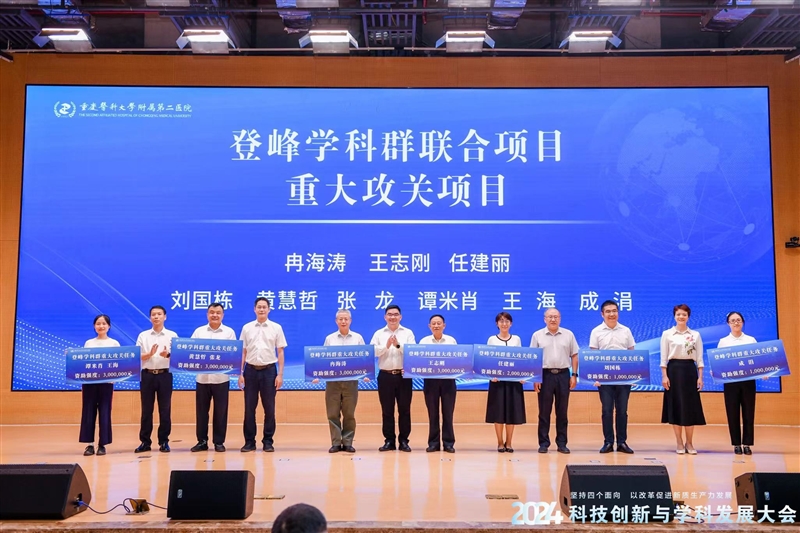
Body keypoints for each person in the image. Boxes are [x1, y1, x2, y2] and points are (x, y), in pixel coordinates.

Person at [238, 297, 287, 453]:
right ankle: (249, 442)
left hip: (269, 371)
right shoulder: (247, 328)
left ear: (269, 309)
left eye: (264, 307)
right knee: (249, 408)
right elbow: (243, 352)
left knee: (269, 408)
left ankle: (268, 441)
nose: (261, 309)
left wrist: (280, 374)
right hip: (250, 371)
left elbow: (280, 351)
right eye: (259, 307)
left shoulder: (276, 328)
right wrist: (240, 373)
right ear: (254, 309)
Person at [589, 300, 636, 454]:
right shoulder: (596, 331)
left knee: (622, 411)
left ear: (618, 313)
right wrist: (595, 377)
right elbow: (593, 356)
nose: (611, 314)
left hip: (623, 378)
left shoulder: (626, 330)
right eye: (608, 311)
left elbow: (632, 354)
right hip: (604, 379)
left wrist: (633, 376)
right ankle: (608, 442)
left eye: (614, 311)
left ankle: (622, 442)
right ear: (602, 314)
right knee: (607, 410)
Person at [530, 308, 579, 454]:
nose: (553, 319)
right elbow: (533, 358)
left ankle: (562, 443)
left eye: (556, 317)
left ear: (560, 318)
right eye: (550, 317)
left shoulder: (568, 334)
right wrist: (536, 378)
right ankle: (543, 443)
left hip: (563, 375)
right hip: (545, 375)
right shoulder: (537, 335)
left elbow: (574, 355)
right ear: (544, 319)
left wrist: (574, 375)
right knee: (544, 411)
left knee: (562, 411)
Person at [660, 303, 706, 455]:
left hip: (690, 371)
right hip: (673, 371)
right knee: (676, 407)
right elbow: (663, 358)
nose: (681, 317)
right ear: (674, 316)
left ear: (688, 317)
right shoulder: (667, 334)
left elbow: (699, 358)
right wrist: (664, 376)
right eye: (678, 314)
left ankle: (690, 443)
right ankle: (679, 442)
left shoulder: (695, 335)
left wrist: (700, 377)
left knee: (689, 407)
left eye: (684, 314)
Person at [191, 302, 236, 453]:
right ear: (207, 314)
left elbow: (233, 354)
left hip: (221, 379)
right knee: (201, 412)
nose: (214, 315)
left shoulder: (229, 332)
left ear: (222, 315)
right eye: (212, 312)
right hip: (202, 379)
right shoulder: (199, 331)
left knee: (221, 412)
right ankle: (202, 441)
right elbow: (190, 352)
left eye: (218, 313)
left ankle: (219, 442)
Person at [370, 304, 416, 452]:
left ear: (400, 317)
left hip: (404, 376)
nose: (393, 317)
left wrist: (397, 345)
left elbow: (412, 352)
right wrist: (386, 346)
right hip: (385, 376)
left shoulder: (408, 333)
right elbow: (372, 352)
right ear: (385, 317)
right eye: (390, 314)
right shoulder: (379, 333)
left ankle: (404, 441)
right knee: (387, 410)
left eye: (396, 314)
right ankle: (389, 441)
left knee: (405, 410)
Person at [134, 305, 177, 453]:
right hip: (147, 375)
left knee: (165, 410)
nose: (156, 317)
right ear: (150, 317)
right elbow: (137, 356)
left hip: (165, 375)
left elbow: (178, 357)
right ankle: (145, 442)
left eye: (159, 314)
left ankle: (164, 441)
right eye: (153, 314)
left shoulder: (172, 335)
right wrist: (149, 354)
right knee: (146, 410)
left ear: (165, 317)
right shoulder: (143, 335)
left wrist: (168, 355)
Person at [321, 309, 364, 454]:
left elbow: (364, 358)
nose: (343, 321)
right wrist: (316, 374)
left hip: (351, 382)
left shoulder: (357, 338)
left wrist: (365, 373)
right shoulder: (330, 339)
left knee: (349, 413)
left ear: (350, 320)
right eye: (340, 319)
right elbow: (323, 360)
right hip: (333, 382)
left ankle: (348, 442)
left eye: (346, 319)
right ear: (336, 321)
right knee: (332, 414)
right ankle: (335, 442)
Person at [717, 312, 758, 455]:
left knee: (749, 412)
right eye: (733, 320)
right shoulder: (723, 342)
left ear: (743, 322)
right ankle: (736, 444)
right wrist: (716, 371)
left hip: (748, 381)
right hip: (731, 382)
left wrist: (765, 372)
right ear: (728, 323)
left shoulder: (751, 340)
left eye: (738, 320)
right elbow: (718, 362)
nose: (736, 323)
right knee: (732, 412)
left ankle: (747, 444)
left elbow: (759, 361)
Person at [79, 314, 120, 456]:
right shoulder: (89, 343)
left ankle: (102, 444)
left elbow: (119, 364)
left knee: (105, 412)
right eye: (98, 323)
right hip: (89, 383)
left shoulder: (114, 343)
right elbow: (83, 362)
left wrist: (115, 378)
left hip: (106, 383)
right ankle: (89, 444)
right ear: (94, 326)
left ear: (109, 326)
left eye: (104, 323)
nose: (101, 326)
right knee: (88, 412)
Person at [485, 311, 525, 453]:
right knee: (498, 412)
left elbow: (521, 360)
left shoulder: (516, 339)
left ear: (511, 324)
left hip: (513, 382)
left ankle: (509, 442)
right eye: (501, 321)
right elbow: (487, 361)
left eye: (507, 321)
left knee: (511, 413)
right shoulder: (492, 339)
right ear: (497, 324)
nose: (504, 324)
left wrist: (522, 376)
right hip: (497, 381)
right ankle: (500, 442)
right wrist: (491, 375)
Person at [419, 314, 458, 453]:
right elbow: (418, 361)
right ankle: (433, 443)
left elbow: (458, 360)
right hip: (430, 381)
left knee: (448, 413)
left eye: (439, 323)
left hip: (448, 381)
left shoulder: (451, 341)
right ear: (429, 326)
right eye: (433, 323)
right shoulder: (424, 341)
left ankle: (448, 443)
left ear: (444, 325)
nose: (436, 326)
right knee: (433, 413)